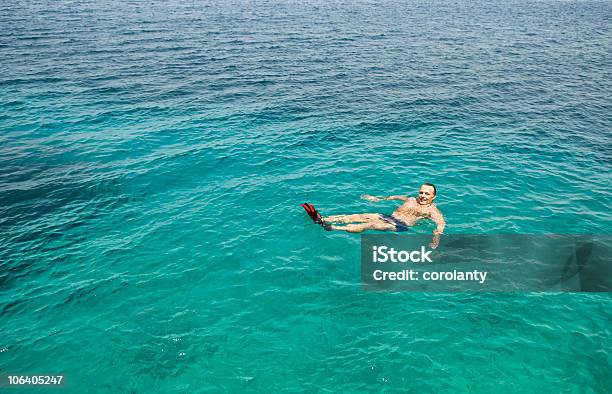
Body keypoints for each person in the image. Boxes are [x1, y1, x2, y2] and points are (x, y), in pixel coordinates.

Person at [301, 183, 445, 246]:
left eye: (427, 193)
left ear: (434, 196)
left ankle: (332, 227)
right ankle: (322, 219)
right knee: (361, 215)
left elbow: (441, 223)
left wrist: (436, 237)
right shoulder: (411, 199)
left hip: (400, 225)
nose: (423, 195)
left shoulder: (432, 210)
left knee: (371, 224)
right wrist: (378, 198)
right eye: (421, 192)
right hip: (389, 216)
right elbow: (395, 197)